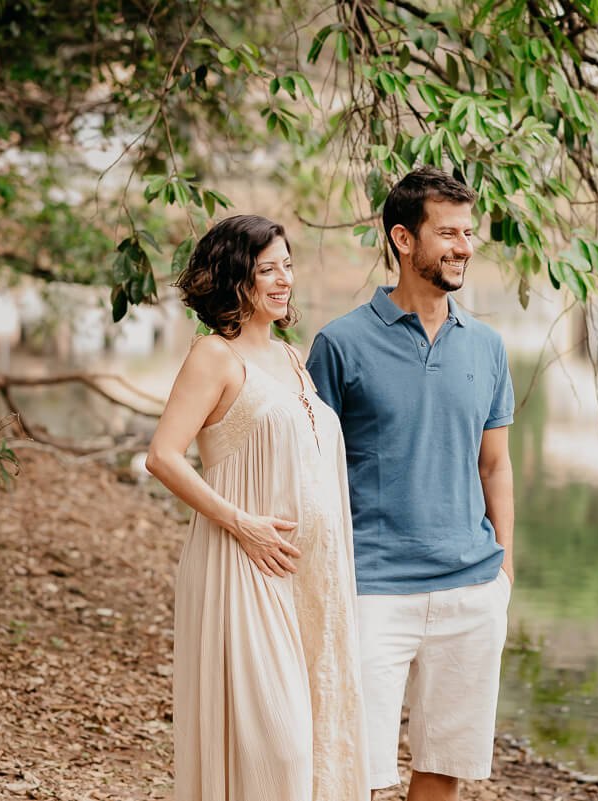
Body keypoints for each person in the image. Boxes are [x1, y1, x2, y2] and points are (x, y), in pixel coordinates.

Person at [306, 166, 516, 801]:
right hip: (372, 590)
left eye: (469, 232)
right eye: (447, 232)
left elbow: (495, 464)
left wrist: (505, 567)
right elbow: (312, 472)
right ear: (403, 238)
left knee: (444, 767)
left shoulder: (486, 346)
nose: (463, 247)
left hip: (471, 588)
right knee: (356, 771)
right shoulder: (339, 345)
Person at [145, 214, 369, 801]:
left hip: (308, 577)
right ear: (233, 278)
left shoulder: (294, 358)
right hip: (242, 569)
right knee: (279, 751)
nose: (283, 280)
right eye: (266, 269)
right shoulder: (213, 356)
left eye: (287, 266)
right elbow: (163, 457)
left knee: (315, 739)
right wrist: (244, 525)